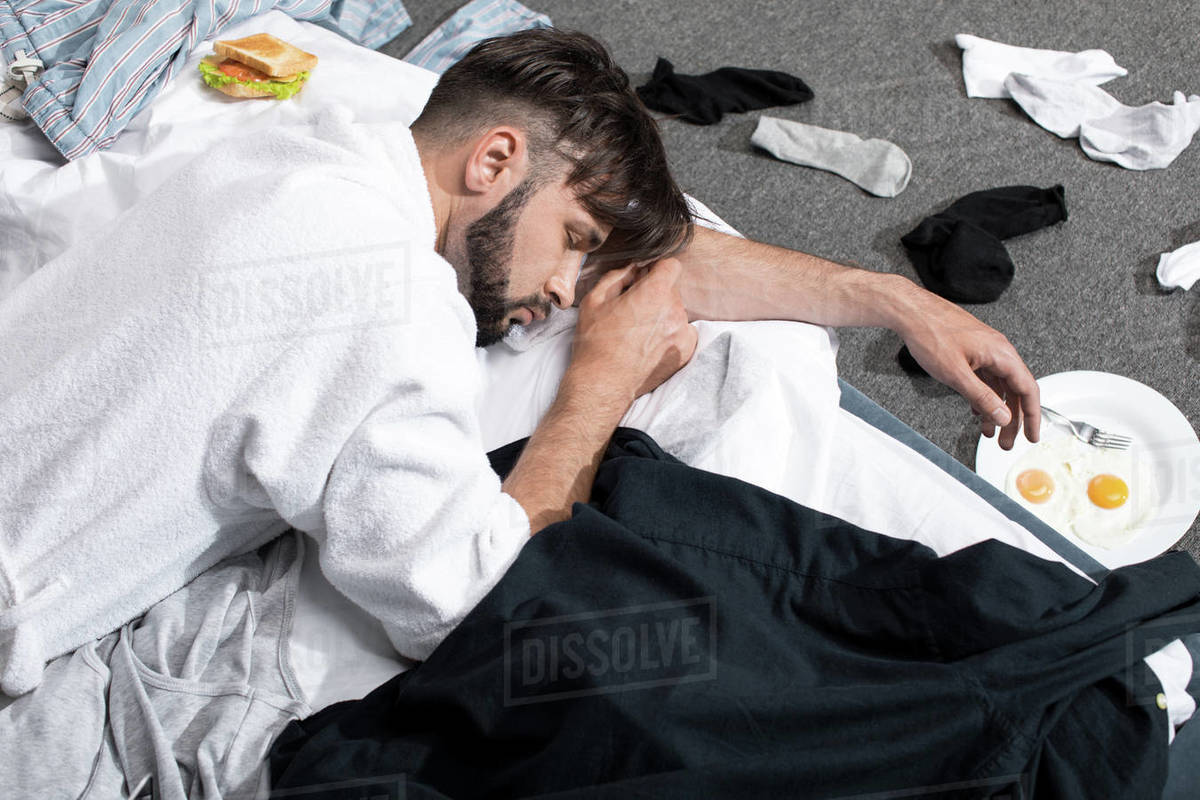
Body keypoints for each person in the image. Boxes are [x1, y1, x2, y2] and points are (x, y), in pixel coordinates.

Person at [0, 27, 1038, 696]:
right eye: (577, 244)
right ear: (493, 156)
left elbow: (649, 247)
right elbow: (468, 608)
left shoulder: (291, 148)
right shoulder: (388, 305)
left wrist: (891, 297)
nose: (567, 292)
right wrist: (600, 388)